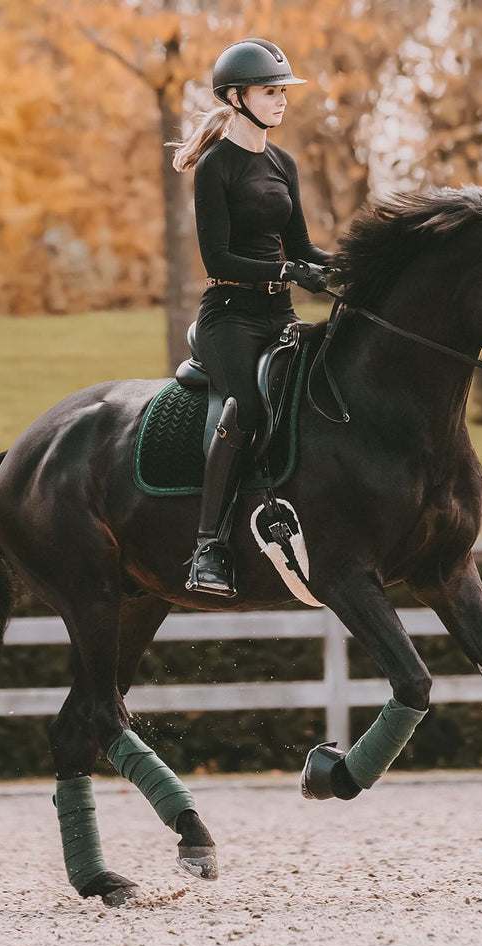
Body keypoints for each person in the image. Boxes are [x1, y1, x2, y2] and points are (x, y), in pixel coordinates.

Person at [170, 38, 334, 598]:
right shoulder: (215, 167)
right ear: (238, 97)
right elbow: (217, 258)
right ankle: (207, 546)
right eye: (272, 92)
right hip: (230, 317)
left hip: (278, 316)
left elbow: (303, 247)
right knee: (248, 409)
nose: (282, 101)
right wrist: (287, 271)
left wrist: (357, 266)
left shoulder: (282, 163)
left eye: (284, 92)